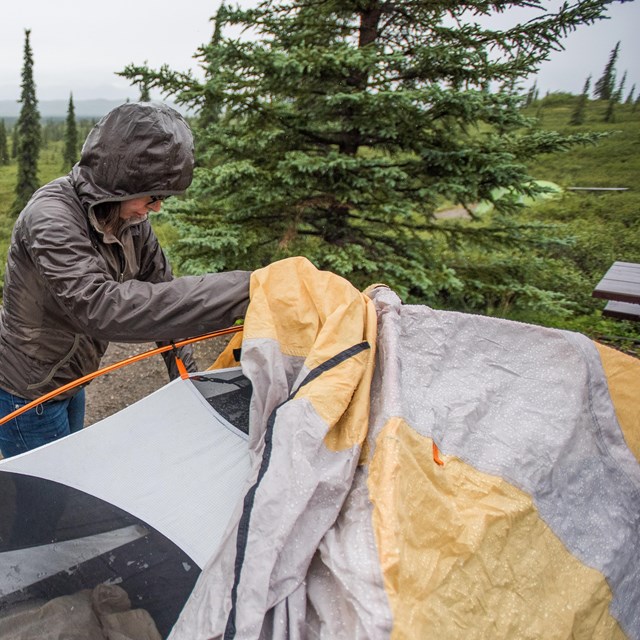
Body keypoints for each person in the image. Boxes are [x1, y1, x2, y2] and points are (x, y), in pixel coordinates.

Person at [0, 101, 250, 459]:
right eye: (154, 195)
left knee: (70, 480)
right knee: (47, 504)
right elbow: (100, 308)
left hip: (71, 378)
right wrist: (243, 290)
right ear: (124, 181)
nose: (158, 207)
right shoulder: (51, 218)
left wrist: (189, 385)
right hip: (27, 390)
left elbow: (164, 292)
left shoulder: (130, 220)